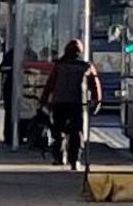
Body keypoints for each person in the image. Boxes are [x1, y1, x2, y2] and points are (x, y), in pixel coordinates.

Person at [41, 39, 101, 169]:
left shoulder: (59, 66)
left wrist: (44, 100)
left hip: (59, 102)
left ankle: (59, 157)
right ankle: (75, 160)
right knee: (76, 132)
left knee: (58, 130)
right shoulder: (86, 66)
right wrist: (96, 102)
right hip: (77, 103)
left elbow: (50, 85)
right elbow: (95, 86)